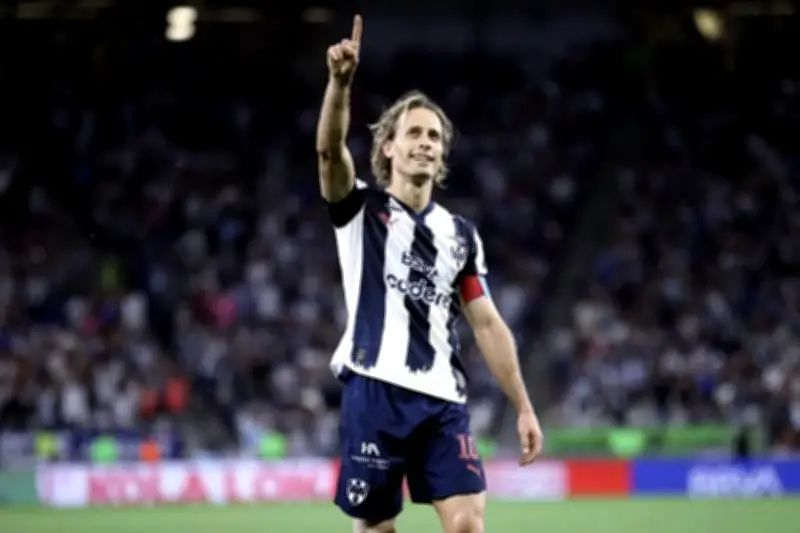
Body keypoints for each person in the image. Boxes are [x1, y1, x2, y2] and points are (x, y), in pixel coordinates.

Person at [316, 15, 544, 533]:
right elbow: (329, 151)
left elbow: (487, 324)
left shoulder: (461, 236)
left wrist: (524, 406)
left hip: (442, 400)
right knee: (377, 529)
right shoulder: (359, 211)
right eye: (414, 132)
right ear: (388, 147)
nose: (426, 142)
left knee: (467, 524)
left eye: (434, 136)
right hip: (374, 392)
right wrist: (340, 84)